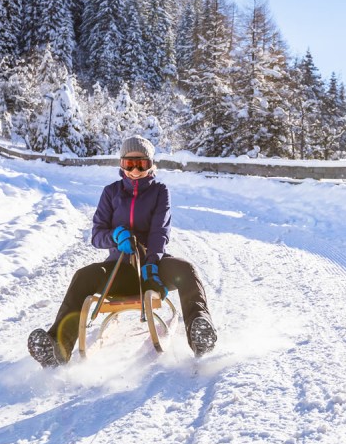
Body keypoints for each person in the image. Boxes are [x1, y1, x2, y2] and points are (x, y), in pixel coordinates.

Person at [28, 136, 217, 367]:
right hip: (120, 269)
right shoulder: (111, 193)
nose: (135, 170)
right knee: (83, 276)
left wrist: (151, 263)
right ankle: (58, 346)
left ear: (151, 165)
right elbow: (97, 235)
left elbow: (160, 232)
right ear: (121, 164)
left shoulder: (160, 192)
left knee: (186, 269)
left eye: (142, 164)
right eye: (130, 164)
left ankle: (200, 330)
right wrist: (115, 237)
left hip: (153, 268)